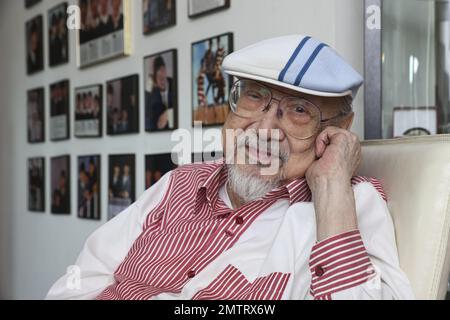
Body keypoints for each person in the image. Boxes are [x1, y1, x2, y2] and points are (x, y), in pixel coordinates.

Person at [47, 35, 414, 300]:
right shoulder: (179, 183)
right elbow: (76, 284)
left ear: (338, 129)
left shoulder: (350, 203)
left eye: (300, 110)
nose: (264, 130)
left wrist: (332, 185)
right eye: (255, 96)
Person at [145, 56, 173, 131]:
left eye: (163, 71)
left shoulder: (174, 84)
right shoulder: (154, 94)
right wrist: (148, 89)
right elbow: (152, 121)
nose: (162, 79)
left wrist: (168, 113)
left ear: (166, 71)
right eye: (158, 77)